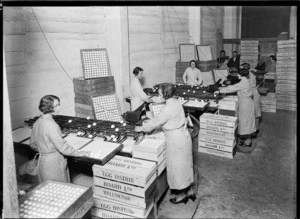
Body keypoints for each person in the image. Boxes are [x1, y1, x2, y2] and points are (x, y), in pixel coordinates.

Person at [135, 83, 195, 204]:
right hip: (183, 136)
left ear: (165, 94)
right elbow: (159, 101)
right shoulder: (175, 101)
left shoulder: (169, 108)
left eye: (160, 93)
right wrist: (151, 99)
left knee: (177, 168)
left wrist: (142, 128)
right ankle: (189, 191)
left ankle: (181, 195)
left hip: (176, 140)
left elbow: (157, 121)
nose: (159, 94)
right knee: (185, 165)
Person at [29, 95, 90, 183]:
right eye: (57, 105)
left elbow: (32, 144)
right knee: (60, 188)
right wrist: (80, 153)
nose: (59, 107)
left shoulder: (38, 121)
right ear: (49, 107)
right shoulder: (52, 125)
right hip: (54, 163)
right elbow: (63, 148)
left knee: (47, 187)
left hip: (43, 161)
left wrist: (45, 150)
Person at [214, 68, 256, 147]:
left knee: (246, 123)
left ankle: (248, 142)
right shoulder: (246, 80)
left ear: (240, 75)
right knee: (247, 122)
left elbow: (232, 88)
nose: (237, 75)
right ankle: (247, 140)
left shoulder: (243, 83)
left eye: (237, 74)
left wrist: (219, 91)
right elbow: (235, 86)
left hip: (245, 104)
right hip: (247, 102)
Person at [240, 63, 261, 137]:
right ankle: (254, 130)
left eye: (242, 68)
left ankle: (255, 130)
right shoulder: (249, 74)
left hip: (253, 94)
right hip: (252, 92)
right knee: (255, 112)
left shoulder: (249, 76)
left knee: (255, 112)